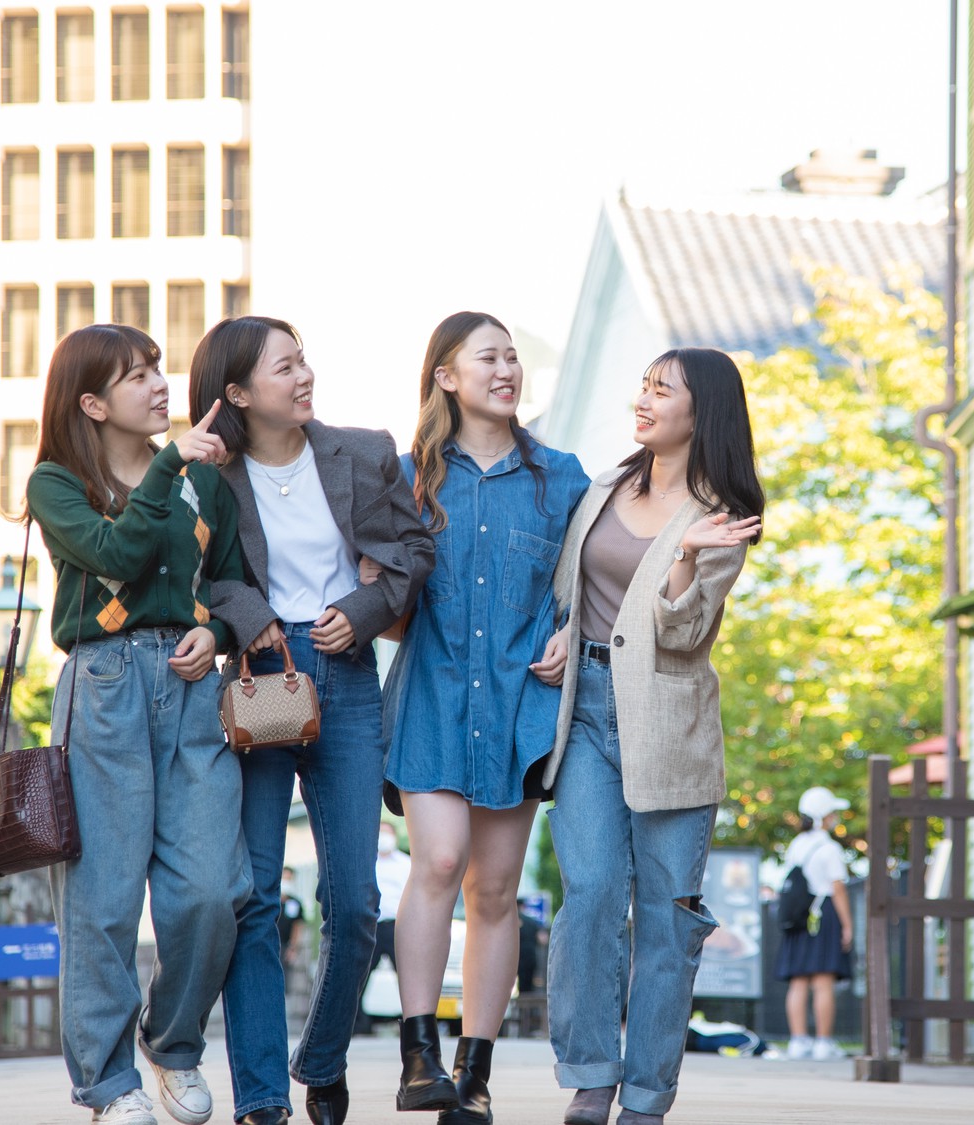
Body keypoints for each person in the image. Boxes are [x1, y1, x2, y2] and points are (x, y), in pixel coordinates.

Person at [196, 315, 434, 1125]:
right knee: (254, 896)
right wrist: (249, 611)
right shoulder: (214, 474)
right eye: (285, 367)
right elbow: (197, 572)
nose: (304, 377)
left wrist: (365, 608)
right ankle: (262, 1097)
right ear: (237, 392)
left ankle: (322, 1057)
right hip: (262, 678)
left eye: (304, 362)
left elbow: (412, 551)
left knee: (357, 899)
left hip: (348, 670)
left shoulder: (364, 450)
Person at [23, 324, 250, 1125]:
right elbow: (115, 555)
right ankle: (110, 1083)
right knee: (103, 903)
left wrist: (217, 635)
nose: (160, 384)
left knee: (214, 891)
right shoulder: (56, 482)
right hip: (105, 685)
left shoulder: (203, 480)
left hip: (190, 691)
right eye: (137, 376)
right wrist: (171, 462)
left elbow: (228, 580)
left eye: (159, 368)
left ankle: (173, 1042)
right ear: (92, 401)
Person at [532, 347, 765, 1125]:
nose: (644, 400)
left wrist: (683, 559)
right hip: (585, 712)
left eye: (662, 391)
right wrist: (564, 631)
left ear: (704, 414)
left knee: (667, 913)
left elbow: (684, 630)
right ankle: (592, 1072)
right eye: (644, 385)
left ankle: (646, 1097)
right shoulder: (605, 487)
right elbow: (570, 585)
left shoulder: (720, 515)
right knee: (591, 895)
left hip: (667, 723)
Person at [380, 311, 590, 1122]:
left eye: (512, 357)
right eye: (487, 357)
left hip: (518, 709)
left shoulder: (564, 477)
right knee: (437, 861)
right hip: (432, 698)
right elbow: (381, 593)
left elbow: (591, 585)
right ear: (446, 375)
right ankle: (416, 1057)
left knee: (496, 888)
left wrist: (572, 632)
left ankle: (474, 1074)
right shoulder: (405, 477)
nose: (506, 369)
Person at [777, 787, 855, 1061]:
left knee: (798, 982)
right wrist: (848, 925)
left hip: (798, 918)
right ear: (825, 816)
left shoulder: (796, 845)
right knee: (823, 982)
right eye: (833, 812)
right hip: (823, 913)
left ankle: (798, 1041)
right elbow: (839, 889)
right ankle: (823, 1043)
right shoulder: (829, 848)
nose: (835, 817)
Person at [356, 820, 410, 1035]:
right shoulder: (368, 861)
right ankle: (357, 1024)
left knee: (409, 976)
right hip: (372, 924)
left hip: (398, 926)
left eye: (388, 833)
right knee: (360, 975)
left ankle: (412, 1023)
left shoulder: (406, 863)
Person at [278, 867, 307, 962]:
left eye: (289, 879)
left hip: (285, 946)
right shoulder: (271, 900)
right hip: (269, 942)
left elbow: (297, 925)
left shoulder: (295, 903)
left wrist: (293, 947)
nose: (286, 882)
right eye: (285, 879)